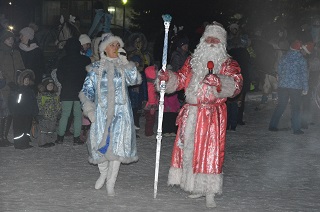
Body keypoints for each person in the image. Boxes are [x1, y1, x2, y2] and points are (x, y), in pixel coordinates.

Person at [157, 22, 243, 208]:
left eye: (215, 39)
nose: (211, 42)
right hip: (192, 112)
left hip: (212, 114)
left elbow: (236, 85)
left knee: (209, 152)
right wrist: (168, 78)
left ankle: (209, 190)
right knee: (190, 150)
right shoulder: (192, 61)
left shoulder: (228, 63)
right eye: (208, 38)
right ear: (203, 40)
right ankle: (194, 185)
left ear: (221, 42)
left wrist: (219, 82)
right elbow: (180, 79)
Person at [79, 33, 141, 195]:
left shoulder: (123, 66)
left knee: (117, 148)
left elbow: (135, 80)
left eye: (117, 45)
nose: (115, 48)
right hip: (101, 113)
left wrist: (127, 62)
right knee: (100, 146)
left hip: (121, 114)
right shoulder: (96, 68)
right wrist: (90, 110)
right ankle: (103, 173)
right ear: (104, 48)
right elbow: (86, 91)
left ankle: (111, 182)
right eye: (112, 45)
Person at [269, 40, 310, 135]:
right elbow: (304, 75)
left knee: (281, 105)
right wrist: (305, 88)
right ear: (299, 49)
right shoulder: (301, 60)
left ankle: (272, 125)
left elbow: (278, 71)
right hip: (296, 87)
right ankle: (296, 128)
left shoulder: (284, 58)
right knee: (296, 107)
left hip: (283, 86)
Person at [55, 37, 91, 145]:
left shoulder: (63, 60)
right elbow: (88, 75)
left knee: (65, 115)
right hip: (80, 92)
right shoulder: (85, 60)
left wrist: (65, 83)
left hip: (67, 90)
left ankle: (60, 137)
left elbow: (59, 75)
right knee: (78, 115)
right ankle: (76, 138)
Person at [0, 30, 25, 147]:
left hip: (15, 87)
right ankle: (2, 138)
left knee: (10, 112)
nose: (11, 40)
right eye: (8, 38)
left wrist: (22, 79)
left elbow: (21, 68)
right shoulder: (1, 53)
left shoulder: (16, 53)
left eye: (12, 38)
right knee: (5, 111)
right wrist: (8, 81)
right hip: (4, 87)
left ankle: (4, 137)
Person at [9, 69, 38, 149]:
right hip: (19, 114)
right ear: (21, 80)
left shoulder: (31, 91)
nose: (26, 81)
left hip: (28, 114)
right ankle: (18, 144)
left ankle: (25, 142)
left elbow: (34, 102)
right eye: (25, 80)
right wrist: (13, 111)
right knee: (19, 130)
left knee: (26, 129)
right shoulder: (17, 91)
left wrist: (35, 112)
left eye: (28, 80)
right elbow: (14, 102)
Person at [36, 76, 60, 148]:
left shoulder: (55, 95)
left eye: (52, 85)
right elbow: (39, 105)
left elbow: (58, 104)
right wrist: (39, 114)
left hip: (53, 116)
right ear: (45, 86)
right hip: (44, 116)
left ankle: (49, 141)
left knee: (51, 129)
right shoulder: (42, 95)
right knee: (43, 130)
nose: (50, 86)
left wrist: (59, 112)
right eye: (49, 85)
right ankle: (42, 142)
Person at [144, 65, 158, 137]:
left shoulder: (151, 84)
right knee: (150, 120)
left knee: (151, 119)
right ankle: (148, 132)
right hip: (150, 105)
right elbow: (151, 96)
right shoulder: (150, 85)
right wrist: (152, 105)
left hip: (151, 104)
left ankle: (149, 131)